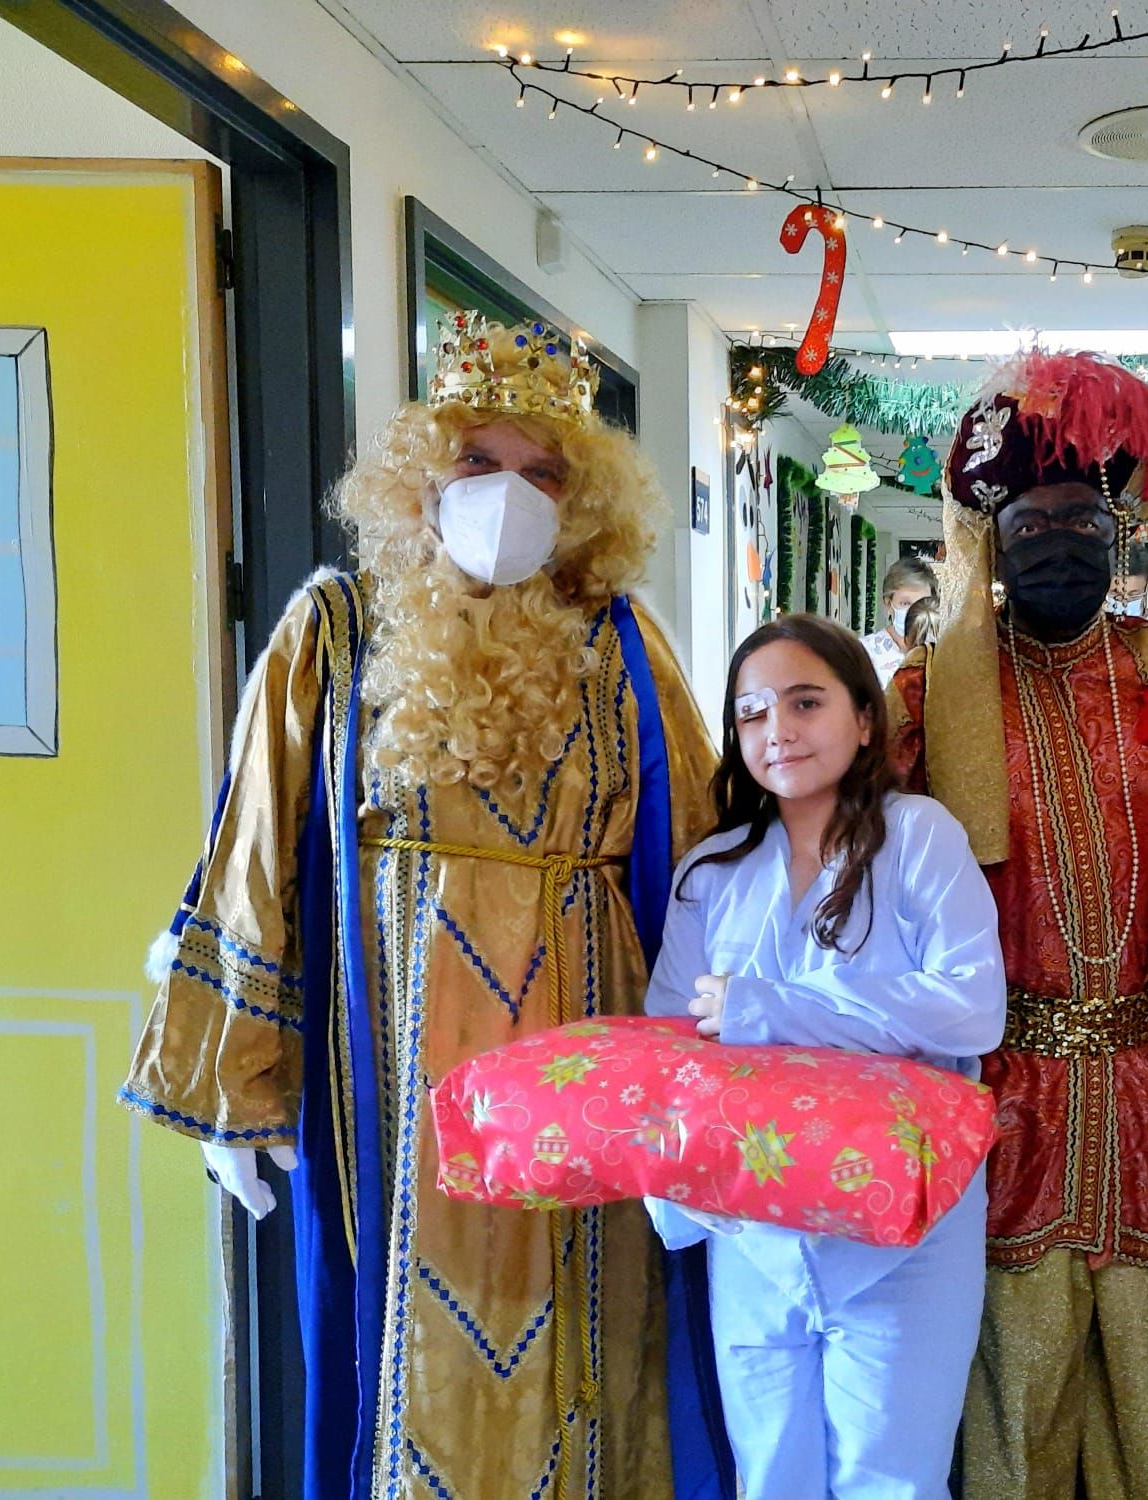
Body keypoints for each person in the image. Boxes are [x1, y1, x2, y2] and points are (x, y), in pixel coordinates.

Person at [121, 312, 730, 1500]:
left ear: (585, 498)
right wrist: (240, 1084)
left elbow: (701, 853)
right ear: (421, 480)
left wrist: (725, 1058)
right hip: (396, 1057)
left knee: (596, 1338)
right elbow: (256, 859)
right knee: (416, 1331)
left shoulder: (623, 643)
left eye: (542, 473)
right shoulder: (332, 633)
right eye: (479, 466)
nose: (509, 495)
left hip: (588, 1056)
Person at [887, 349, 1148, 1500]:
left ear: (1118, 529)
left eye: (1081, 516)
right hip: (1003, 1092)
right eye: (1033, 517)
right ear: (992, 538)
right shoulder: (925, 696)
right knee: (1013, 1393)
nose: (1059, 537)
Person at [644, 614, 1005, 1500]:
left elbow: (970, 1011)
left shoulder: (920, 838)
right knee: (769, 1477)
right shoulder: (712, 873)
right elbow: (671, 1045)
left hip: (904, 1233)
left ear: (865, 718)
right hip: (755, 1233)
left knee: (895, 1480)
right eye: (752, 713)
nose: (778, 731)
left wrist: (769, 1010)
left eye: (806, 702)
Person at [862, 555, 941, 686]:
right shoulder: (864, 653)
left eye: (922, 603)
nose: (914, 611)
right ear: (888, 604)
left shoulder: (943, 652)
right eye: (905, 603)